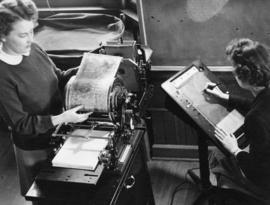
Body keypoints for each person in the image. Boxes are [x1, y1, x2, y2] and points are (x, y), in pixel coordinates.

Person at [0, 0, 91, 197]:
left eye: (32, 31)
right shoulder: (2, 74)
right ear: (2, 36)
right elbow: (21, 124)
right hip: (35, 147)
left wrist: (87, 66)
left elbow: (58, 77)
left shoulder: (34, 48)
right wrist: (62, 118)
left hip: (60, 133)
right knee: (45, 196)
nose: (30, 39)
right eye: (23, 34)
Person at [205, 38, 270, 201]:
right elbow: (259, 105)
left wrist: (235, 150)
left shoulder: (254, 119)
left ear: (243, 76)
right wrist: (225, 98)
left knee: (218, 158)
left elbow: (259, 174)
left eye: (234, 70)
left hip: (265, 183)